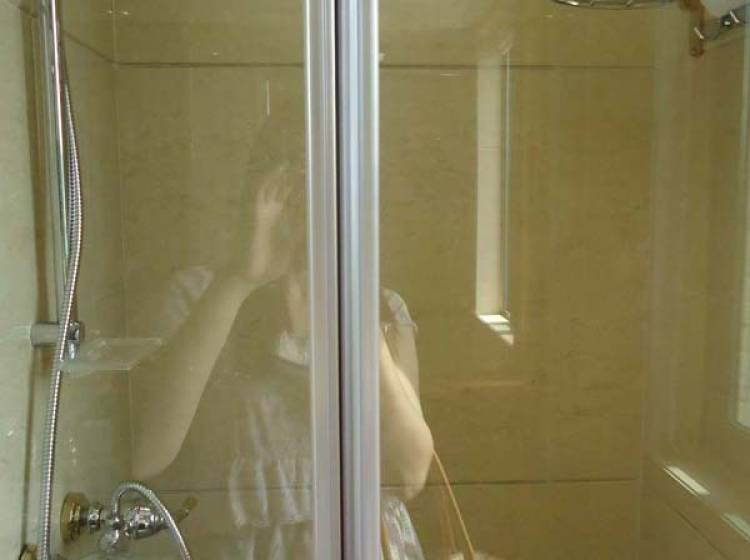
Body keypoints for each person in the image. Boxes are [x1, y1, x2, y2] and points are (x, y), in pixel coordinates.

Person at [128, 118, 434, 559]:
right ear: (262, 192)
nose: (311, 207)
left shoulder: (381, 307)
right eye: (295, 187)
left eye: (332, 188)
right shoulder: (201, 296)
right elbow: (148, 458)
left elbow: (411, 470)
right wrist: (241, 278)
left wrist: (352, 298)